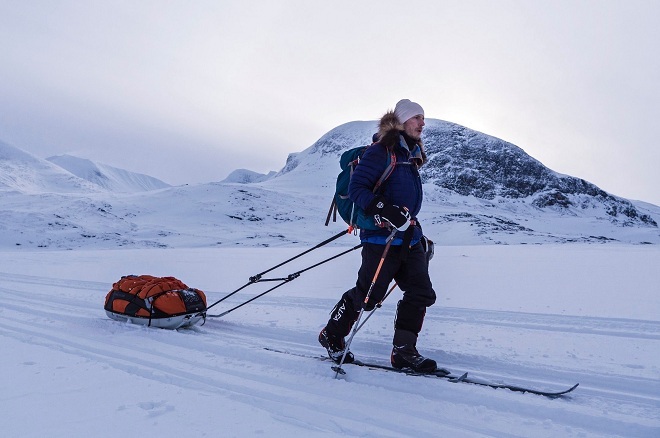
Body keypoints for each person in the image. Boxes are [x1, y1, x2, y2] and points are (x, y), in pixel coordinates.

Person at [319, 99, 437, 372]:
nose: (422, 123)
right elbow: (359, 189)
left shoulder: (410, 156)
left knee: (420, 293)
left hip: (409, 238)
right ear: (401, 121)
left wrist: (417, 232)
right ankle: (332, 334)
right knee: (368, 297)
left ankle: (404, 352)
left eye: (423, 118)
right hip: (380, 239)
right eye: (417, 117)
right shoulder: (380, 152)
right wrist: (384, 208)